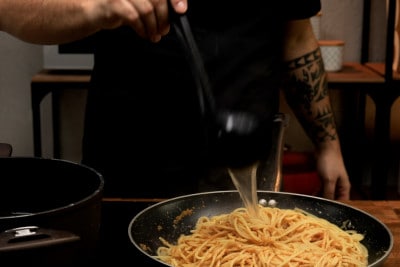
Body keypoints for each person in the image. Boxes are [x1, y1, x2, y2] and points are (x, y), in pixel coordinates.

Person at [0, 0, 351, 200]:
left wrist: (328, 146)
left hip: (247, 160)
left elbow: (297, 38)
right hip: (131, 166)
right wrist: (95, 6)